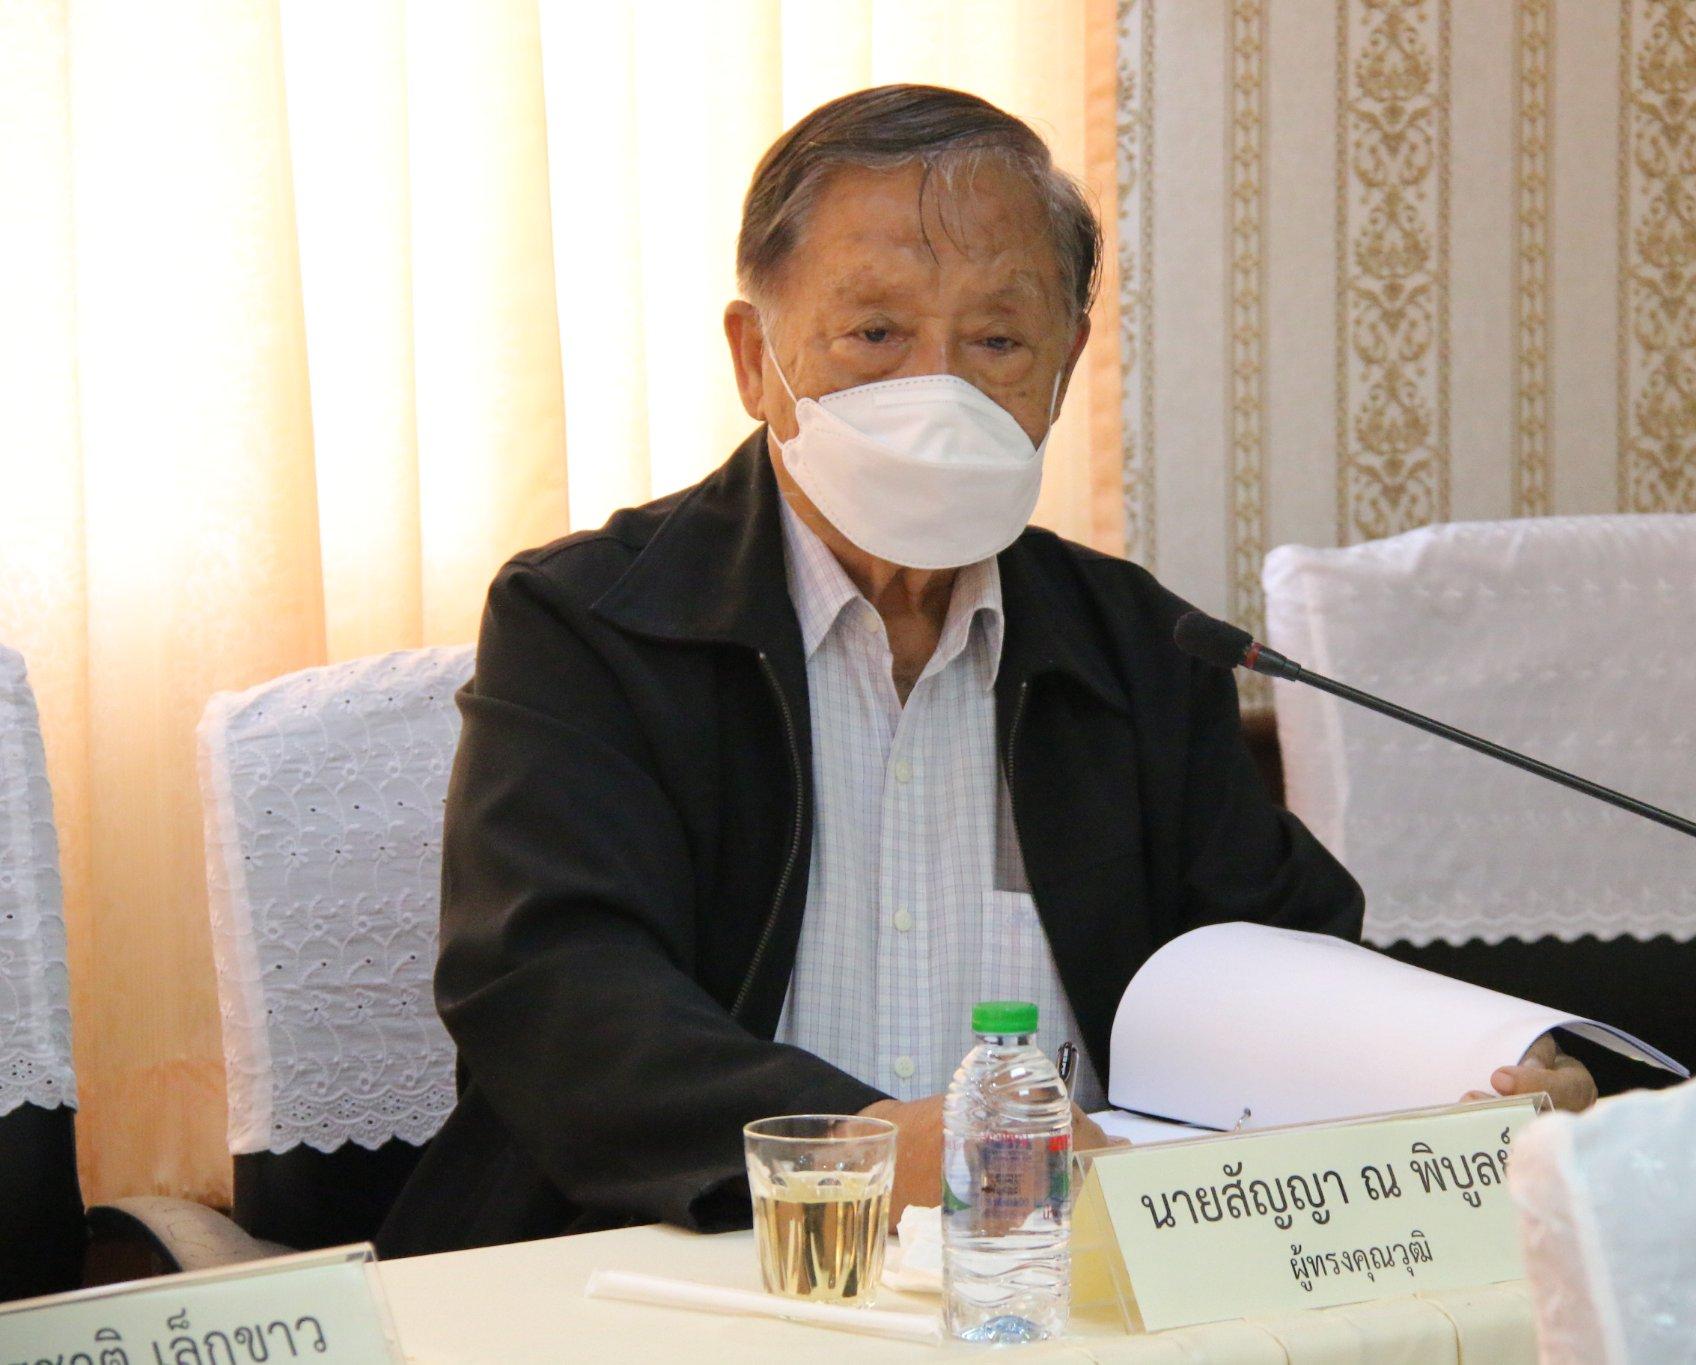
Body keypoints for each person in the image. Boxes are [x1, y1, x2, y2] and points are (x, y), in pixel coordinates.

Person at [376, 84, 1592, 1258]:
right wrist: (872, 1153)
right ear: (755, 357)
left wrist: (1461, 1071)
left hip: (1067, 1274)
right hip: (699, 1258)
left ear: (1061, 366)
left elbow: (1268, 958)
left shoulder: (1138, 646)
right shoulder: (593, 622)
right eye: (875, 334)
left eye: (997, 340)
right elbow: (552, 990)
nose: (938, 390)